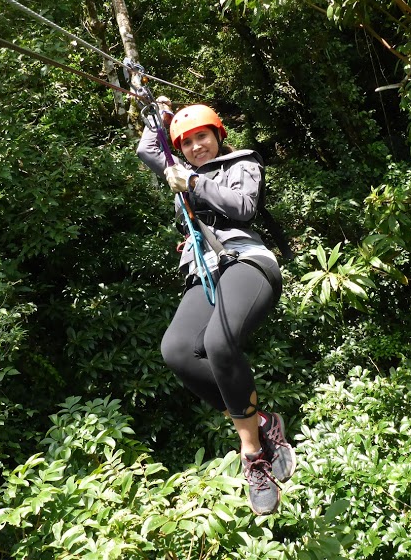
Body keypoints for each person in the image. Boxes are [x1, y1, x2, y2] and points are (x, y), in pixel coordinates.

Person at [136, 99, 296, 515]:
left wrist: (191, 183)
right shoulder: (177, 168)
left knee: (220, 344)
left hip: (245, 261)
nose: (195, 147)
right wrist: (160, 114)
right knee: (177, 351)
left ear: (218, 136)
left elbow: (243, 207)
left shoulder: (242, 163)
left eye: (202, 137)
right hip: (204, 272)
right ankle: (263, 424)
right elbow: (147, 150)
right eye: (186, 143)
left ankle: (252, 453)